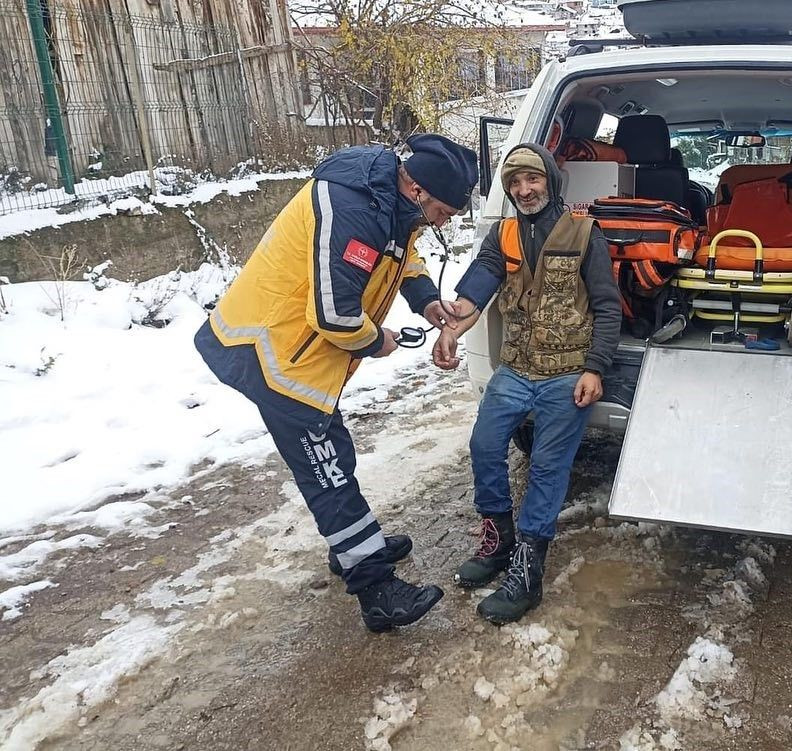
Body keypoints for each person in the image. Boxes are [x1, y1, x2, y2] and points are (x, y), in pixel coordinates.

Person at [194, 134, 477, 633]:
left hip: (299, 355)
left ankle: (350, 546)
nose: (443, 222)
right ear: (417, 191)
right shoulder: (353, 209)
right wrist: (378, 341)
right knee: (327, 471)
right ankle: (376, 590)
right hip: (270, 351)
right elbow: (333, 314)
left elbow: (402, 257)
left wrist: (428, 302)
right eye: (444, 212)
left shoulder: (390, 200)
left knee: (334, 452)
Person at [432, 143, 620, 624]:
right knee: (484, 446)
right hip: (515, 368)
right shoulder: (504, 233)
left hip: (566, 373)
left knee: (547, 469)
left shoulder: (584, 232)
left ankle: (528, 572)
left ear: (550, 182)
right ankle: (499, 542)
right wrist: (453, 327)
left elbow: (606, 305)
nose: (523, 190)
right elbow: (479, 284)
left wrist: (595, 368)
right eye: (514, 183)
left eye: (531, 180)